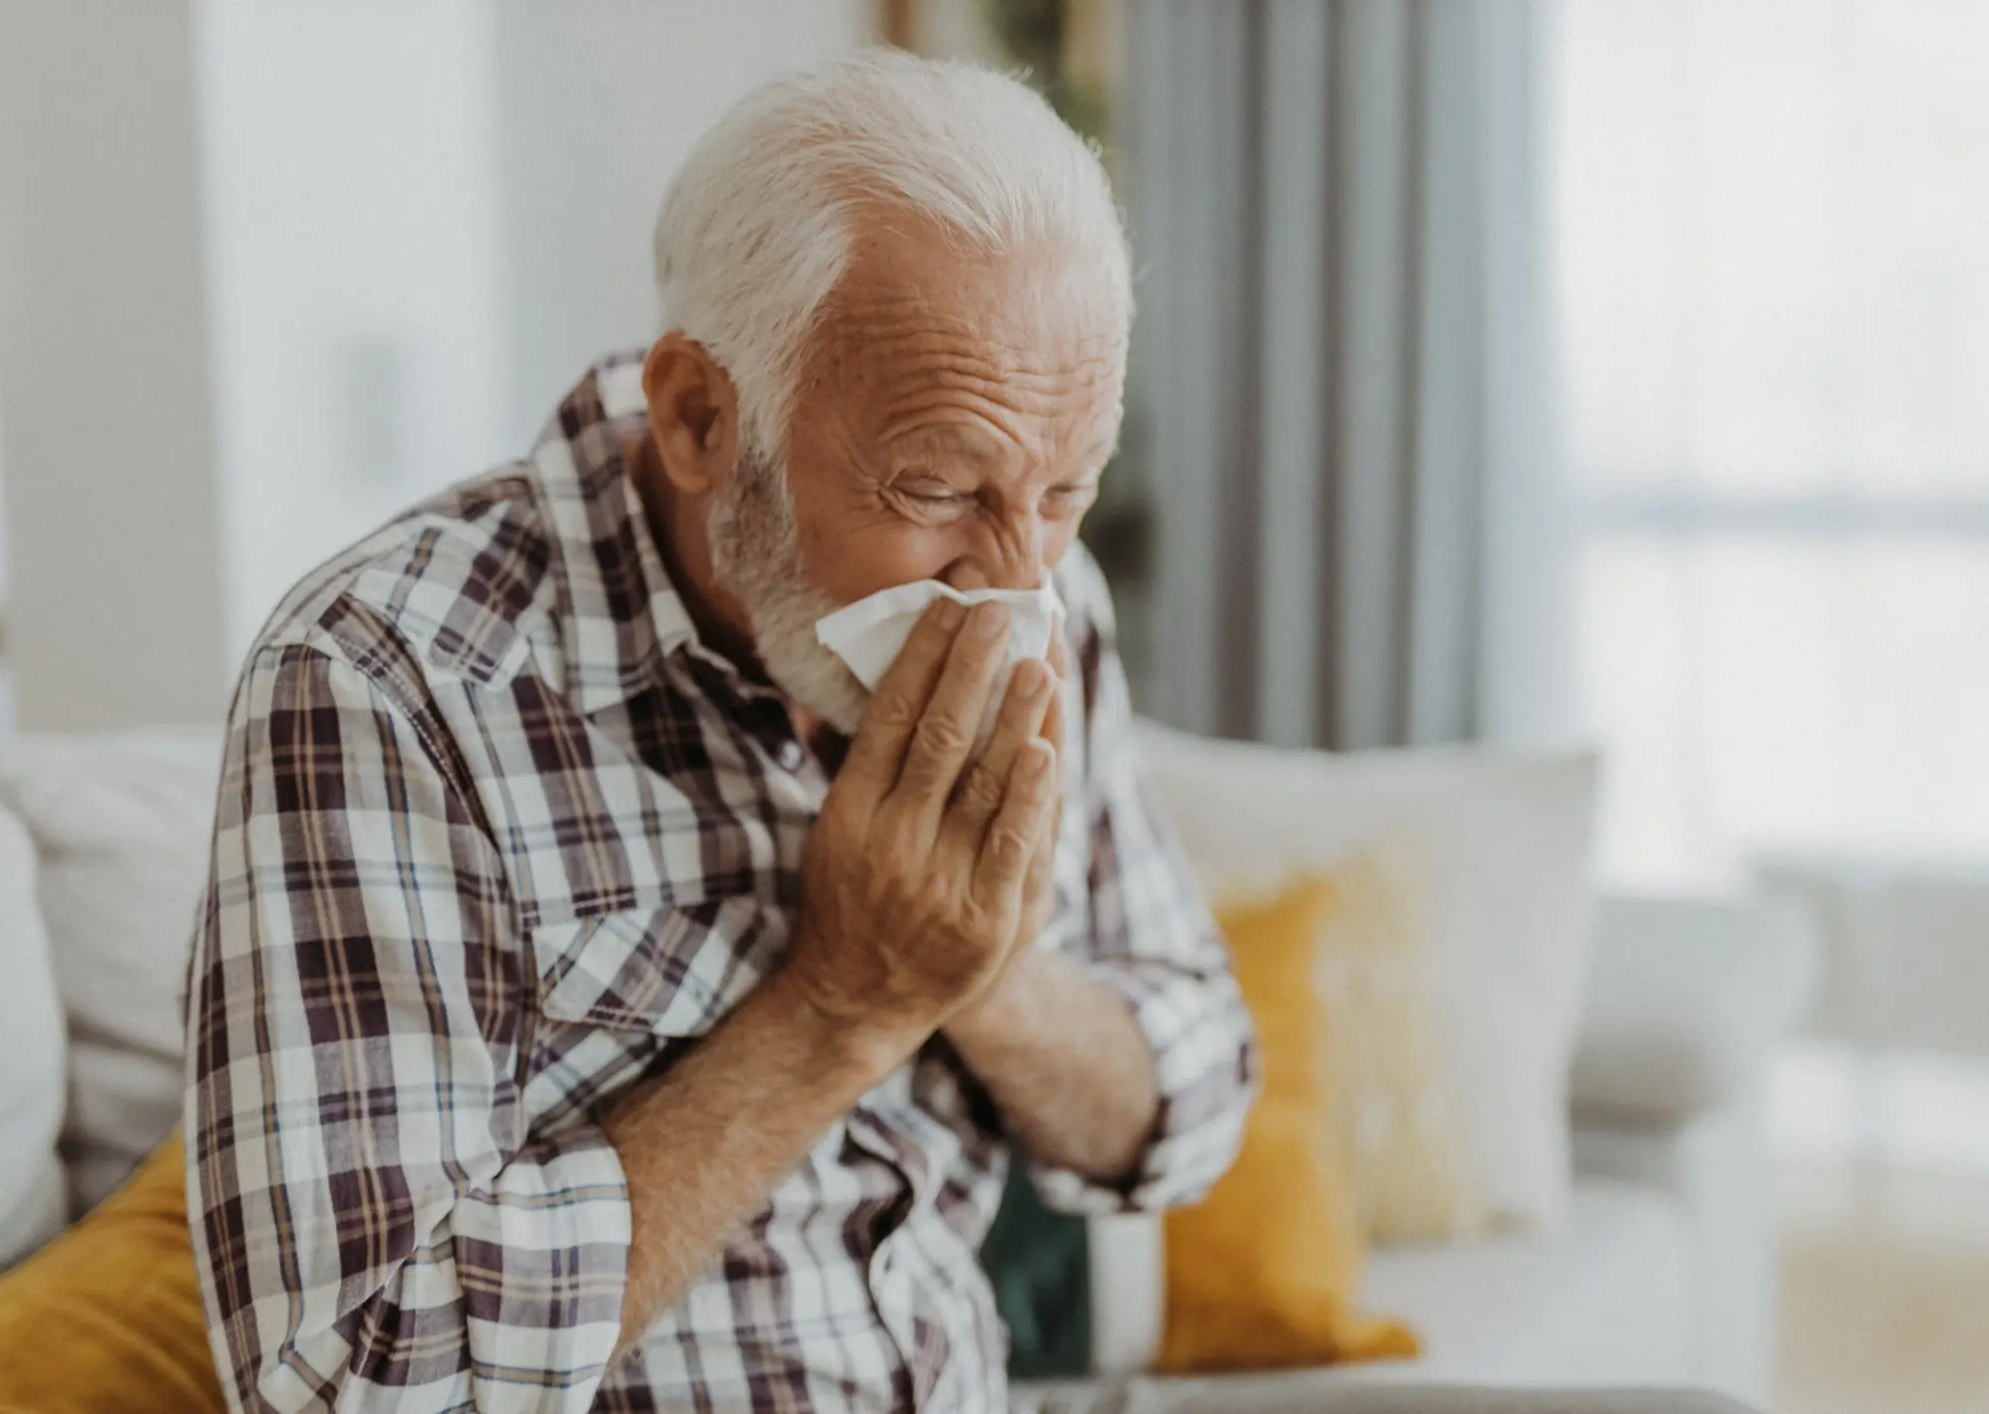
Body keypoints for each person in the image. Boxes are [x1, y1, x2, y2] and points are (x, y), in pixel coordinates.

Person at [184, 49, 1758, 1414]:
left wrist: (986, 973)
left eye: (1066, 490)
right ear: (701, 415)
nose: (1014, 583)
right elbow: (357, 1375)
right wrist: (839, 1007)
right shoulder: (391, 684)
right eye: (937, 487)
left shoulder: (1039, 594)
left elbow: (1191, 1108)